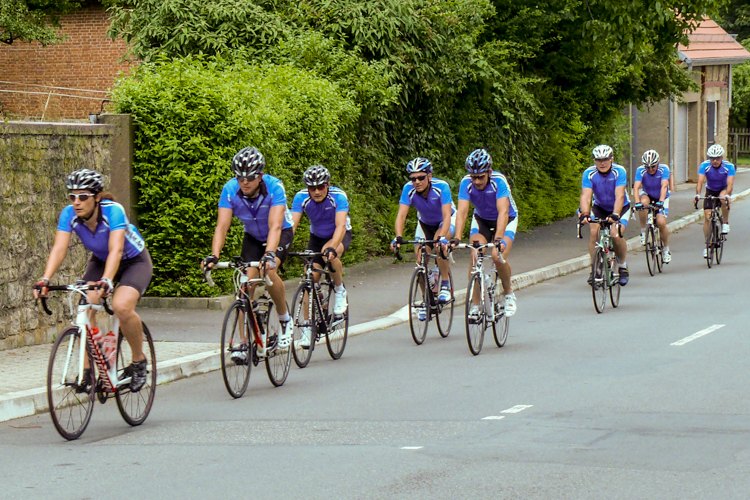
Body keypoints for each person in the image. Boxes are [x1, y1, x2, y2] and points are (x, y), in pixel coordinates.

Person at [33, 169, 152, 391]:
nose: (76, 203)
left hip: (134, 261)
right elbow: (59, 248)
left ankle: (138, 361)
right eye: (72, 197)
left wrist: (107, 280)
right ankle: (88, 371)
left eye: (83, 197)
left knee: (121, 306)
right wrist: (45, 279)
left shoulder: (113, 212)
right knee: (85, 306)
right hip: (100, 260)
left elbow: (116, 250)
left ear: (97, 198)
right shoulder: (69, 214)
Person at [202, 147, 294, 357]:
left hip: (279, 233)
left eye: (250, 177)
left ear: (260, 176)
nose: (245, 182)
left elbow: (275, 227)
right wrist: (214, 255)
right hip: (252, 236)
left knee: (268, 271)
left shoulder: (274, 187)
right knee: (245, 286)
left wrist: (269, 254)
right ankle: (244, 343)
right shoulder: (229, 189)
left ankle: (284, 318)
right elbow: (222, 226)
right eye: (240, 177)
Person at [452, 148, 518, 317]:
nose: (477, 181)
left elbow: (503, 212)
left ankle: (509, 293)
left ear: (489, 172)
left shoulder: (499, 181)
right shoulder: (466, 183)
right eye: (473, 177)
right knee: (475, 255)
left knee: (497, 256)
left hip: (506, 220)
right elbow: (462, 212)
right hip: (481, 219)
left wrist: (497, 238)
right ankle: (475, 305)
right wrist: (457, 237)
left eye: (481, 176)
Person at [291, 165, 351, 347]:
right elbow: (291, 225)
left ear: (328, 185)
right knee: (310, 276)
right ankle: (309, 328)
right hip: (316, 236)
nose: (316, 191)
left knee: (329, 255)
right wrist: (281, 247)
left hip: (339, 234)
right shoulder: (301, 198)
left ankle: (340, 290)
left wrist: (333, 246)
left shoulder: (338, 196)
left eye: (320, 187)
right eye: (312, 188)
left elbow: (340, 226)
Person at [390, 157, 456, 320]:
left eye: (420, 177)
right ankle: (427, 300)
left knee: (437, 242)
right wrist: (398, 237)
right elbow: (401, 215)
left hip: (445, 221)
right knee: (420, 262)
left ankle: (445, 284)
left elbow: (447, 216)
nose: (416, 182)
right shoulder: (408, 189)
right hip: (425, 223)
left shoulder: (442, 187)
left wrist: (442, 237)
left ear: (429, 176)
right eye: (413, 178)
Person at [579, 144, 631, 285]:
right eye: (598, 160)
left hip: (621, 207)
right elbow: (586, 196)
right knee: (594, 232)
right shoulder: (589, 173)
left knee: (615, 234)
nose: (602, 163)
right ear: (595, 161)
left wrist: (615, 214)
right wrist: (585, 213)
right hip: (600, 207)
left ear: (611, 159)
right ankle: (595, 269)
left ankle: (622, 267)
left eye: (605, 159)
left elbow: (619, 196)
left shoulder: (619, 171)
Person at [694, 144, 734, 258]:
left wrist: (727, 195)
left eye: (717, 158)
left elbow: (730, 183)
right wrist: (697, 194)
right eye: (712, 158)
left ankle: (725, 222)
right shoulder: (704, 165)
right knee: (707, 217)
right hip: (710, 190)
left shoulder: (729, 166)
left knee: (722, 199)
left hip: (723, 189)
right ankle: (707, 245)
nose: (715, 161)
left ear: (722, 158)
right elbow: (700, 182)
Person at [633, 149, 671, 263]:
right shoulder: (640, 170)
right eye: (647, 167)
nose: (650, 169)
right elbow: (636, 188)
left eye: (653, 167)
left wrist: (661, 201)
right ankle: (644, 231)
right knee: (643, 203)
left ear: (657, 164)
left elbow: (664, 186)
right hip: (648, 194)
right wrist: (637, 202)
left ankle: (666, 249)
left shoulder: (664, 169)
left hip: (662, 196)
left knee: (661, 222)